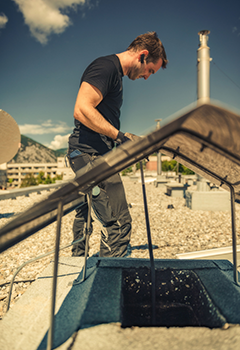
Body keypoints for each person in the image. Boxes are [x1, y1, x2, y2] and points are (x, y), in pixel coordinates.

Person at [68, 31, 168, 258]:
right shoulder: (105, 67)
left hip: (87, 153)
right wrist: (119, 136)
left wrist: (127, 141)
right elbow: (82, 109)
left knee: (86, 213)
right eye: (150, 70)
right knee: (118, 224)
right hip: (89, 155)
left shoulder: (115, 76)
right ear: (143, 55)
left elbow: (103, 121)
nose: (147, 77)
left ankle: (78, 265)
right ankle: (106, 287)